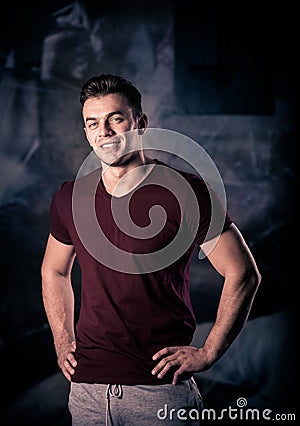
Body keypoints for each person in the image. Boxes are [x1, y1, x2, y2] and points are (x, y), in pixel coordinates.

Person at [41, 73, 261, 426]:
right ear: (85, 131)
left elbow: (244, 274)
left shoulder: (185, 192)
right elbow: (53, 270)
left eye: (116, 119)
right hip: (87, 392)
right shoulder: (70, 197)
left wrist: (208, 352)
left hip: (161, 392)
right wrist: (62, 339)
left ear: (140, 123)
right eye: (92, 123)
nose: (104, 132)